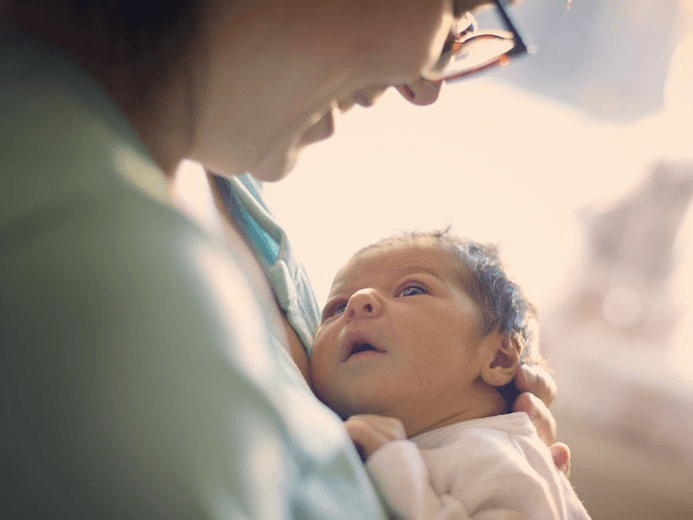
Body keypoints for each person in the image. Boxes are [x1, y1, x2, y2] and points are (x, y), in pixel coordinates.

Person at [1, 1, 568, 518]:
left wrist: (470, 449)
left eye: (414, 290)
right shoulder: (87, 258)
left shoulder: (234, 188)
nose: (426, 86)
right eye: (456, 10)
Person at [311, 231, 592, 519]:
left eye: (411, 290)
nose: (358, 302)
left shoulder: (491, 453)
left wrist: (392, 466)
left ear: (498, 357)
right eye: (337, 308)